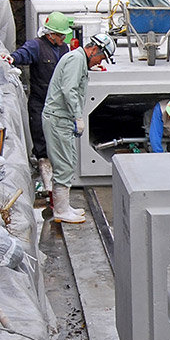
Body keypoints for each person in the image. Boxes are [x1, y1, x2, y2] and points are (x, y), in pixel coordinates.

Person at [41, 33, 116, 223]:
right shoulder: (76, 60)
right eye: (101, 56)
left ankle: (64, 206)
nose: (100, 61)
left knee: (69, 161)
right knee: (63, 165)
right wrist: (77, 116)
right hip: (59, 119)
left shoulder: (80, 60)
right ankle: (60, 210)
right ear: (93, 49)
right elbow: (69, 90)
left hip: (62, 120)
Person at [4, 11, 74, 191]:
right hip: (40, 102)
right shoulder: (37, 46)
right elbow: (23, 54)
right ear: (51, 34)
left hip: (58, 104)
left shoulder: (64, 49)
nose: (64, 38)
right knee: (41, 139)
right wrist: (12, 59)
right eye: (61, 35)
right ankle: (46, 176)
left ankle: (58, 176)